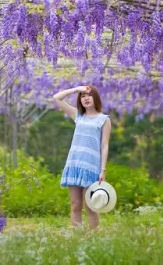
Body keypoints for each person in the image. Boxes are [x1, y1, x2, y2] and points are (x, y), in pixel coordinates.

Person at [52, 84, 112, 230]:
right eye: (83, 96)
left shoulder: (104, 119)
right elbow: (57, 98)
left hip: (91, 167)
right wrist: (76, 90)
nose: (86, 98)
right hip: (74, 164)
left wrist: (102, 170)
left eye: (88, 95)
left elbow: (104, 145)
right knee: (75, 205)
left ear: (95, 97)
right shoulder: (77, 115)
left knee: (91, 205)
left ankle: (94, 238)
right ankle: (76, 237)